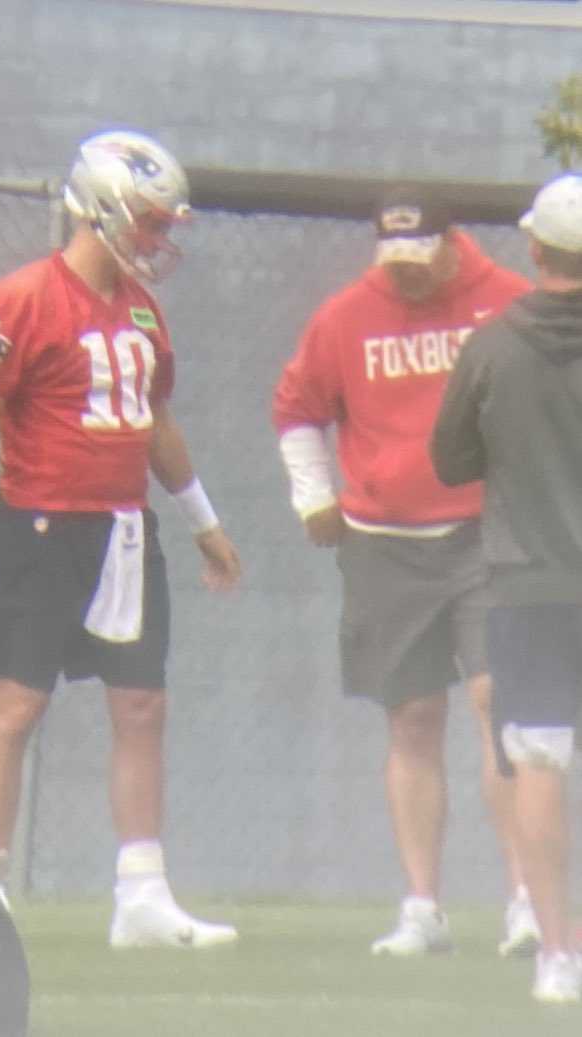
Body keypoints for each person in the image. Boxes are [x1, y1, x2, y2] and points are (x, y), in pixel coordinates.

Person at [0, 129, 241, 949]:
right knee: (16, 708)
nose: (158, 237)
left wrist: (204, 521)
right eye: (147, 220)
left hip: (125, 527)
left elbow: (155, 422)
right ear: (103, 208)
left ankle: (141, 893)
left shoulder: (142, 308)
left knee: (143, 704)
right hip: (43, 525)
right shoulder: (22, 300)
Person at [272, 185, 535, 957]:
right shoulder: (346, 315)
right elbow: (295, 408)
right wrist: (313, 495)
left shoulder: (509, 303)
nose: (410, 273)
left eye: (422, 256)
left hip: (491, 533)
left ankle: (525, 895)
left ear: (453, 242)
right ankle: (423, 905)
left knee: (500, 701)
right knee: (413, 718)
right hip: (384, 541)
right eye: (396, 259)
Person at [431, 173, 582, 1003]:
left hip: (527, 587)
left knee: (538, 760)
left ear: (533, 248)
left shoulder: (490, 347)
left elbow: (449, 460)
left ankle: (559, 953)